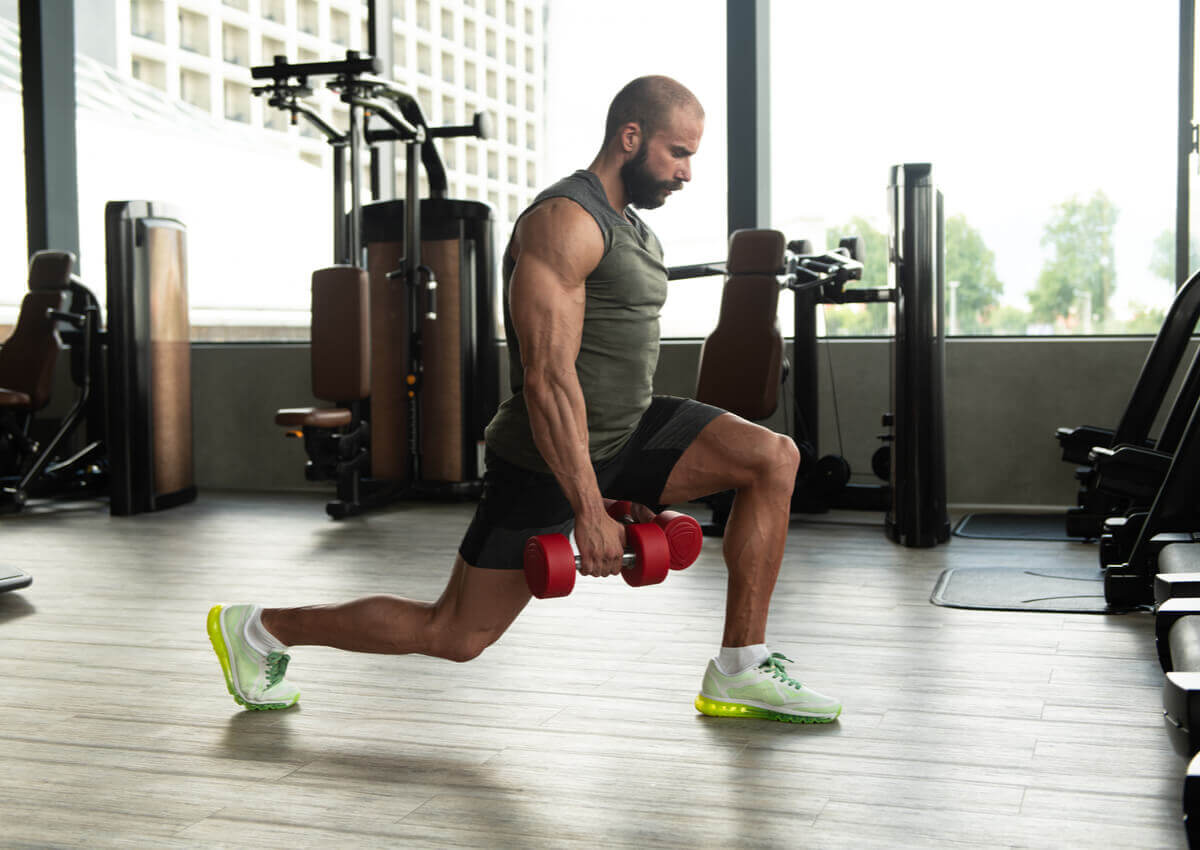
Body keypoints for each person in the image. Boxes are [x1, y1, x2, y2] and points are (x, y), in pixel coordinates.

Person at [207, 75, 841, 724]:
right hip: (547, 455)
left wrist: (640, 483)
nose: (686, 172)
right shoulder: (565, 220)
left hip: (630, 428)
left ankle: (740, 666)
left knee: (773, 458)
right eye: (678, 153)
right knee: (456, 633)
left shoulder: (636, 228)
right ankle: (259, 629)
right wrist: (590, 510)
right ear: (631, 137)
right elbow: (547, 378)